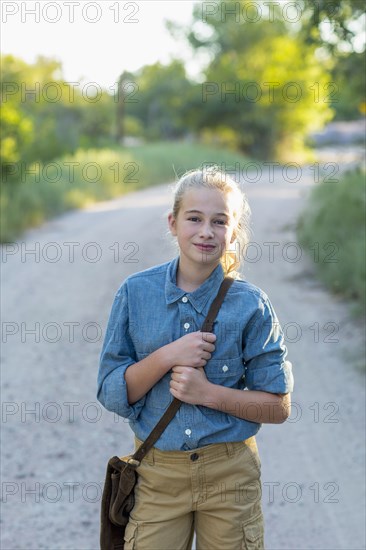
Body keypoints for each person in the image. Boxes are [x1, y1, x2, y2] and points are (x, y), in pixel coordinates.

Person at [97, 167, 294, 550]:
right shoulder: (135, 294)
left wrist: (208, 393)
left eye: (219, 221)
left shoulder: (251, 305)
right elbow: (110, 392)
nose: (206, 231)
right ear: (173, 223)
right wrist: (168, 356)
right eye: (194, 218)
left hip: (230, 474)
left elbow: (278, 407)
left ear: (233, 231)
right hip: (157, 474)